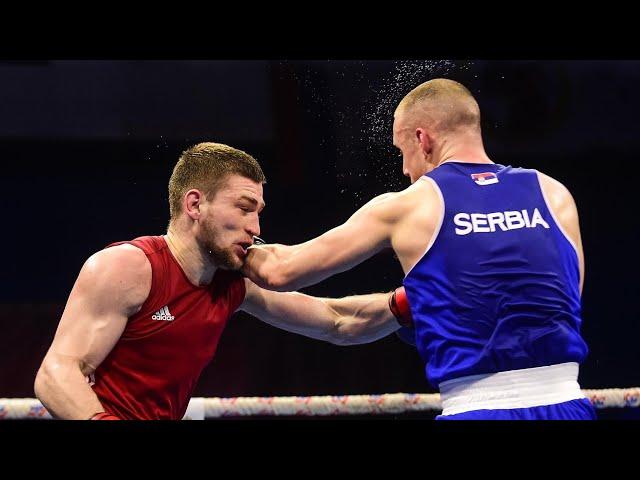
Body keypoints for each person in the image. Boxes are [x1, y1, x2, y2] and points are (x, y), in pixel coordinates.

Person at [242, 78, 596, 420]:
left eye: (402, 151)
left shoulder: (411, 205)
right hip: (567, 402)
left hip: (477, 407)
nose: (405, 169)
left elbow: (280, 270)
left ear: (422, 138)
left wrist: (219, 236)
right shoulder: (553, 193)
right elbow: (566, 299)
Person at [34, 142, 409, 420]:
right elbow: (56, 374)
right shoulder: (128, 267)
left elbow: (337, 321)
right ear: (194, 205)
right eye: (244, 209)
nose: (255, 228)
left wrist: (410, 300)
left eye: (258, 213)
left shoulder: (233, 283)